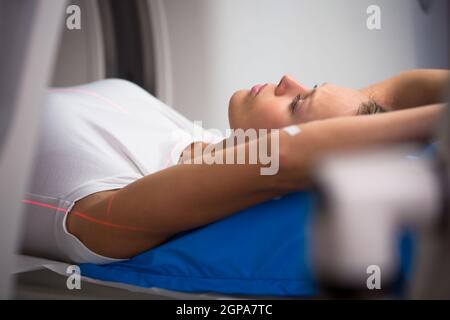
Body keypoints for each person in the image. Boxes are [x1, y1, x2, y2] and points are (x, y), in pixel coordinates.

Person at [25, 69, 448, 263]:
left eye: (298, 102)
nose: (287, 80)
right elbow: (406, 88)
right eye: (311, 85)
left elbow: (292, 156)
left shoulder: (116, 210)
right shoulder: (198, 138)